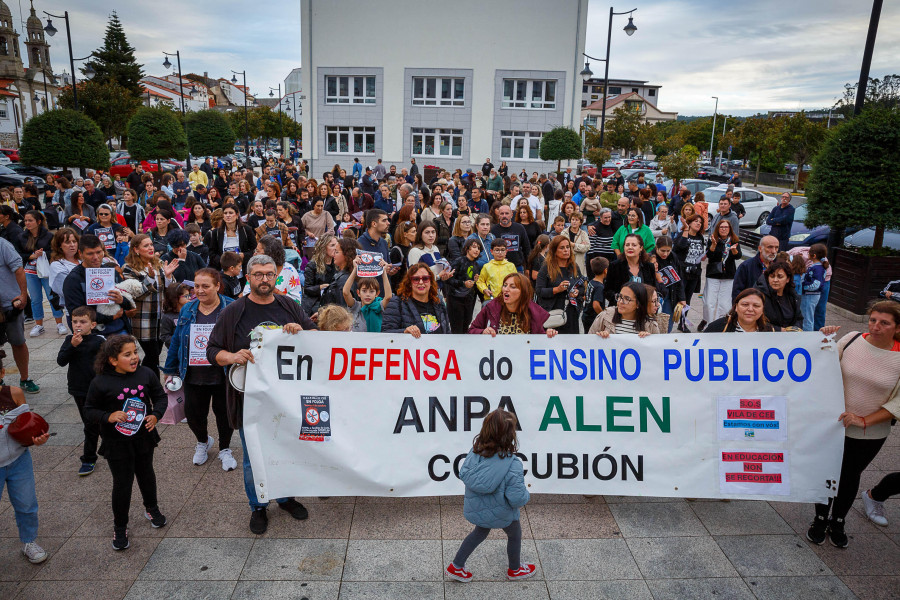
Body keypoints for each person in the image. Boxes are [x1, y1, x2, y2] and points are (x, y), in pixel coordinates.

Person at [207, 255, 315, 533]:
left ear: (276, 277)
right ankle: (258, 506)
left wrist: (300, 331)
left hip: (286, 399)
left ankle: (286, 497)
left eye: (269, 274)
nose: (264, 279)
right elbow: (212, 350)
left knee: (287, 448)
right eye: (258, 274)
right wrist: (231, 355)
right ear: (248, 278)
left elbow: (315, 338)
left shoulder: (289, 306)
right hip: (248, 399)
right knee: (252, 456)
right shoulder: (234, 311)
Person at [809, 302, 900, 547]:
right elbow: (823, 366)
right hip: (833, 424)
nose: (876, 326)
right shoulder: (851, 339)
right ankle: (819, 518)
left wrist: (863, 420)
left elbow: (898, 402)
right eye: (873, 320)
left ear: (897, 327)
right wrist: (823, 339)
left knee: (849, 476)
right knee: (827, 470)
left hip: (870, 432)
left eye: (884, 323)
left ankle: (838, 520)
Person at [84, 334, 168, 550]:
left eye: (135, 353)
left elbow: (160, 396)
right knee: (122, 483)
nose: (134, 358)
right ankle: (120, 526)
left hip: (143, 437)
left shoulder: (146, 374)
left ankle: (152, 508)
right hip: (116, 442)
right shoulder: (100, 382)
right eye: (127, 354)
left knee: (147, 474)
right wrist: (108, 417)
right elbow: (89, 410)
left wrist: (156, 415)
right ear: (112, 360)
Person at [445, 408, 535, 583]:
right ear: (510, 436)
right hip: (502, 511)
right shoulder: (512, 464)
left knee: (479, 532)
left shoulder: (474, 452)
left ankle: (456, 566)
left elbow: (466, 474)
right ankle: (515, 570)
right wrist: (526, 496)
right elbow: (516, 497)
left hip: (479, 508)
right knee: (514, 535)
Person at [162, 268, 237, 471]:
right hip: (194, 372)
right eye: (196, 286)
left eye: (205, 286)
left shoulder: (231, 307)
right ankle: (203, 441)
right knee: (194, 414)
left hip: (221, 372)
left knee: (225, 413)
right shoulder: (188, 309)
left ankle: (225, 448)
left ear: (217, 286)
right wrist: (170, 369)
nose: (200, 291)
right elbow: (177, 340)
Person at [0, 349, 51, 563]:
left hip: (19, 460)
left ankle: (29, 541)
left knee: (27, 504)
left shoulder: (13, 394)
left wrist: (37, 438)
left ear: (1, 373)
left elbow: (26, 427)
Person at [56, 305, 105, 476]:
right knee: (90, 424)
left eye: (83, 322)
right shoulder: (69, 339)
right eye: (75, 321)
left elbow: (107, 363)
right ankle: (89, 458)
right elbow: (61, 361)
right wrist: (72, 346)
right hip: (79, 389)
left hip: (98, 389)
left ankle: (107, 447)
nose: (78, 325)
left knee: (102, 420)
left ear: (92, 324)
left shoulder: (99, 340)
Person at [122, 234, 179, 376]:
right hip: (143, 320)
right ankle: (153, 386)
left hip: (161, 318)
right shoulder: (129, 269)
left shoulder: (159, 263)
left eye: (151, 245)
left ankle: (140, 377)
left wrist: (167, 277)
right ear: (136, 249)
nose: (150, 248)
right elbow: (136, 294)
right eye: (146, 245)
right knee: (152, 355)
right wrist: (150, 278)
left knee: (155, 354)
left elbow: (171, 292)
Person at [62, 235, 131, 336]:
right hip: (93, 335)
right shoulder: (73, 279)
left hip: (119, 330)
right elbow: (77, 314)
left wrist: (122, 300)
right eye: (90, 254)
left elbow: (129, 303)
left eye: (98, 252)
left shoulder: (112, 273)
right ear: (80, 254)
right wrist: (111, 317)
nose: (96, 257)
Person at [20, 211, 65, 337]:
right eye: (26, 220)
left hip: (47, 271)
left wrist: (44, 253)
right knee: (35, 299)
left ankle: (59, 323)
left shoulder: (49, 236)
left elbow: (56, 251)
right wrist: (31, 256)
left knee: (52, 297)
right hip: (30, 271)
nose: (27, 223)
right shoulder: (22, 236)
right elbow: (18, 254)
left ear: (38, 222)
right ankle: (38, 324)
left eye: (30, 220)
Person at [469, 272, 557, 337]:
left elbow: (539, 340)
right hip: (497, 359)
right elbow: (471, 330)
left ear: (523, 292)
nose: (506, 289)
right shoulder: (491, 307)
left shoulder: (534, 312)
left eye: (512, 287)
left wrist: (547, 335)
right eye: (505, 285)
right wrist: (483, 332)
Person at [382, 263, 450, 336]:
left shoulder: (439, 302)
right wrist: (404, 332)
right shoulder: (396, 303)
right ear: (410, 283)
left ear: (431, 282)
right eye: (416, 279)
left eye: (425, 278)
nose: (421, 282)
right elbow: (385, 333)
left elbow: (447, 334)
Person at [534, 235, 581, 335]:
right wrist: (556, 289)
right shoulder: (546, 268)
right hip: (552, 314)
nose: (566, 250)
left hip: (571, 314)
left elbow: (581, 286)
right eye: (562, 248)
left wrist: (577, 292)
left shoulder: (574, 266)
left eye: (568, 247)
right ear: (554, 250)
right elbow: (539, 290)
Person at [703, 220, 742, 323]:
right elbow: (709, 256)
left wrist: (734, 250)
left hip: (728, 275)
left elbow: (738, 256)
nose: (723, 229)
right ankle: (708, 323)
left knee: (724, 304)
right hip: (713, 274)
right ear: (718, 229)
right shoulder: (713, 239)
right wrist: (713, 246)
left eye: (726, 227)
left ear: (729, 229)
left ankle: (720, 323)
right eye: (721, 227)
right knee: (709, 302)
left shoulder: (734, 240)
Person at [589, 281, 660, 337]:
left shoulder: (650, 325)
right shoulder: (605, 316)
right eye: (620, 297)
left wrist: (648, 340)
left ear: (638, 304)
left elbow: (657, 350)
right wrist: (599, 338)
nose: (620, 301)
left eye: (627, 299)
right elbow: (589, 342)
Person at [604, 234, 657, 307]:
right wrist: (620, 299)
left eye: (634, 245)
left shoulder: (649, 266)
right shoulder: (614, 266)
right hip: (621, 309)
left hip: (643, 309)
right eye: (627, 245)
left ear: (641, 248)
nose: (630, 248)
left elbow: (653, 289)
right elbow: (607, 291)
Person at [341, 257, 393, 332]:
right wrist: (355, 269)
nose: (368, 294)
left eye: (371, 291)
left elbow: (388, 297)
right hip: (355, 342)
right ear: (358, 293)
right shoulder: (355, 306)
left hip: (373, 342)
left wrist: (384, 272)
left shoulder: (378, 306)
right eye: (364, 291)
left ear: (377, 293)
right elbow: (345, 292)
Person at [446, 239, 482, 334]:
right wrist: (463, 283)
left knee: (466, 326)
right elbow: (448, 279)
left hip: (469, 299)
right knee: (457, 328)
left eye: (478, 248)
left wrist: (475, 280)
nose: (477, 250)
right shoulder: (458, 261)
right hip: (455, 299)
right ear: (467, 249)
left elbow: (472, 283)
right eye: (474, 247)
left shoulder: (476, 265)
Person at [204, 204, 255, 271]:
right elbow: (212, 253)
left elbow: (254, 249)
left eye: (231, 213)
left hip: (242, 270)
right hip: (223, 272)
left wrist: (244, 255)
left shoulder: (246, 230)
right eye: (225, 213)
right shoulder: (216, 232)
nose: (228, 215)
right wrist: (222, 261)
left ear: (237, 215)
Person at [703, 288, 779, 332]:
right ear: (736, 307)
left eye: (756, 306)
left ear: (762, 309)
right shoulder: (717, 328)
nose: (750, 309)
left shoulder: (770, 331)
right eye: (745, 305)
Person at [755, 261, 802, 329]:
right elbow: (755, 320)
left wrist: (795, 329)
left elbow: (799, 318)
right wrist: (778, 330)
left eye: (780, 277)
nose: (775, 280)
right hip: (766, 336)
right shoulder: (759, 296)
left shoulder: (793, 296)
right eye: (772, 276)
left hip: (790, 337)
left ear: (787, 279)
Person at [732, 235, 780, 302]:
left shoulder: (780, 266)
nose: (774, 251)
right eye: (770, 247)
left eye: (776, 248)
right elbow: (737, 292)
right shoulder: (746, 266)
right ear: (760, 248)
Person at [653, 236, 685, 333]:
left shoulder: (673, 257)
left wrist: (682, 298)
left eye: (668, 251)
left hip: (670, 295)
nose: (665, 254)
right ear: (656, 248)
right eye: (662, 251)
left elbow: (679, 278)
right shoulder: (651, 258)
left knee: (667, 325)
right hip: (656, 296)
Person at [302, 234, 340, 316]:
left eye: (336, 245)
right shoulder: (312, 265)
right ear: (324, 248)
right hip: (316, 301)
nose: (335, 248)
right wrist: (320, 287)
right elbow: (307, 289)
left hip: (333, 301)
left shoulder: (337, 263)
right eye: (332, 245)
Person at [491, 205, 532, 272]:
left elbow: (526, 248)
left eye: (507, 213)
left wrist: (528, 267)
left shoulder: (519, 228)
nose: (504, 216)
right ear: (498, 215)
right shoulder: (493, 230)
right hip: (499, 267)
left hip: (517, 266)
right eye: (502, 213)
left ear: (511, 215)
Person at [800, 243, 828, 331]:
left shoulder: (817, 268)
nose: (807, 255)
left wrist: (804, 287)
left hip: (810, 295)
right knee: (807, 316)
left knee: (807, 318)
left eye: (808, 253)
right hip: (811, 295)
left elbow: (816, 284)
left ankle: (807, 337)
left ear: (814, 255)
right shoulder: (817, 267)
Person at [582, 256, 609, 333]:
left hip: (586, 315)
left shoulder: (591, 282)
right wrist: (603, 315)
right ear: (605, 270)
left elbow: (586, 297)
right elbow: (595, 305)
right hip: (593, 318)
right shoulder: (600, 287)